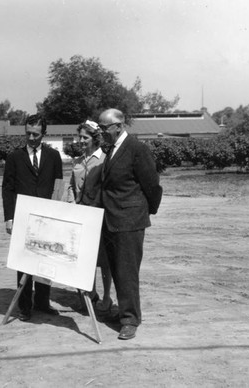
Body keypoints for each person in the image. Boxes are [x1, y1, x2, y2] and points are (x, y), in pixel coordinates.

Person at [98, 108, 162, 340]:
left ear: (119, 126)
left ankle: (130, 320)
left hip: (130, 221)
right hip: (112, 219)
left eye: (104, 128)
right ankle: (125, 312)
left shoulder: (136, 149)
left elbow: (152, 186)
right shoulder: (112, 149)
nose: (101, 132)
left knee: (127, 271)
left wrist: (143, 213)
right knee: (117, 269)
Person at [2, 114, 63, 321]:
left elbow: (58, 185)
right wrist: (9, 217)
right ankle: (25, 305)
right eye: (28, 133)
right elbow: (8, 189)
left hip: (48, 218)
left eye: (35, 134)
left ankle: (43, 302)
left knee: (46, 259)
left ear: (43, 134)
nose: (31, 137)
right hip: (23, 217)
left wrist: (56, 214)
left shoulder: (54, 156)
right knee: (25, 261)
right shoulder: (14, 157)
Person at [67, 120, 113, 312]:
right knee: (86, 259)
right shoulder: (77, 161)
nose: (81, 140)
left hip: (100, 217)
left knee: (104, 260)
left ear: (95, 139)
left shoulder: (105, 160)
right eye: (80, 137)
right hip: (80, 216)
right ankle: (91, 295)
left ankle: (107, 297)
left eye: (85, 137)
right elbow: (70, 185)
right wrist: (71, 204)